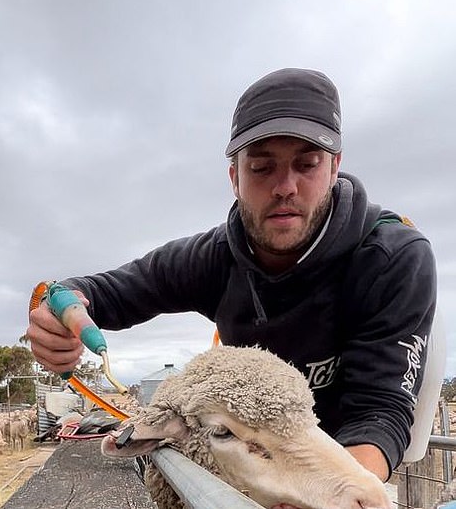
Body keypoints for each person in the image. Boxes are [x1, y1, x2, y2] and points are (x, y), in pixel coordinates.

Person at [28, 67, 437, 484]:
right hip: (248, 470)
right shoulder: (214, 259)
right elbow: (108, 292)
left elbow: (379, 407)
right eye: (261, 167)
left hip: (341, 468)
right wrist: (60, 309)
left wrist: (336, 492)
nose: (285, 187)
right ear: (234, 178)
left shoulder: (392, 257)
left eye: (307, 164)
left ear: (334, 168)